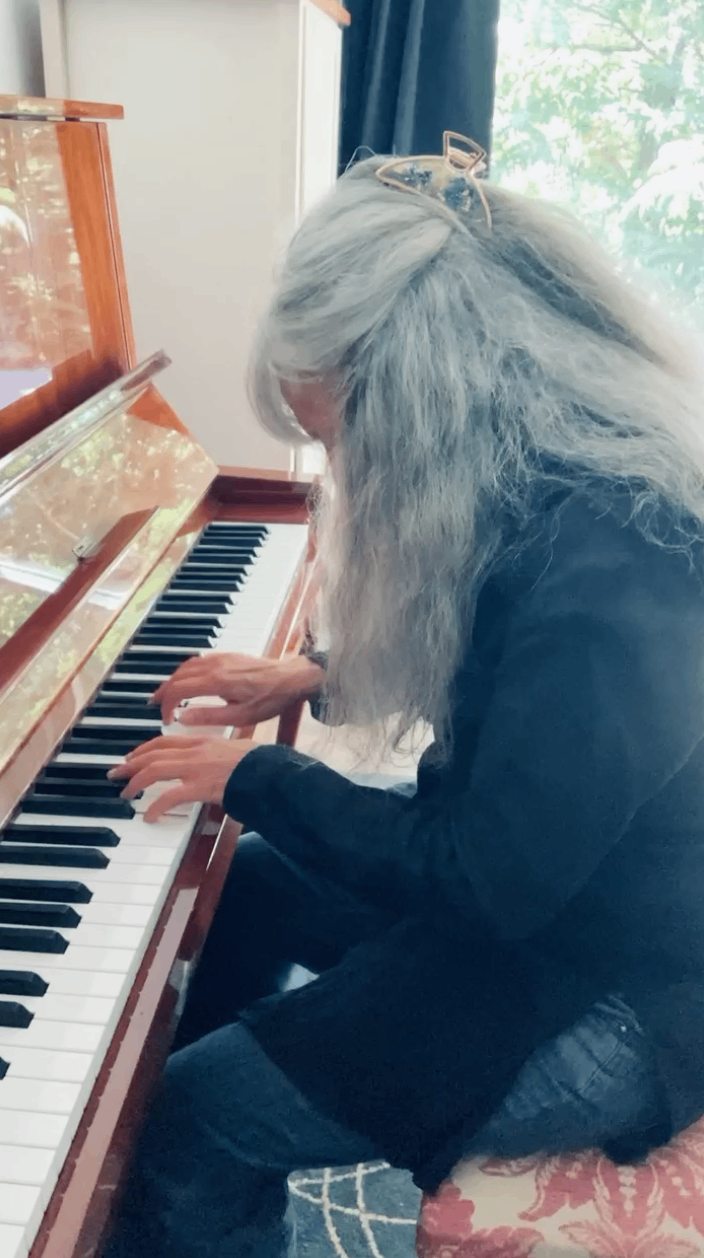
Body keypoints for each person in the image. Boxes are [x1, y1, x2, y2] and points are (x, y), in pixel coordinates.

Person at [105, 134, 704, 1258]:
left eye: (347, 444)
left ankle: (219, 1139)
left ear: (428, 395)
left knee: (188, 1120)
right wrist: (323, 673)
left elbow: (485, 883)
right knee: (246, 880)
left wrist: (257, 772)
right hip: (547, 911)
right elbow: (515, 679)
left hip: (615, 995)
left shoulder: (619, 554)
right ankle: (241, 1081)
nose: (343, 478)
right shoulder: (554, 477)